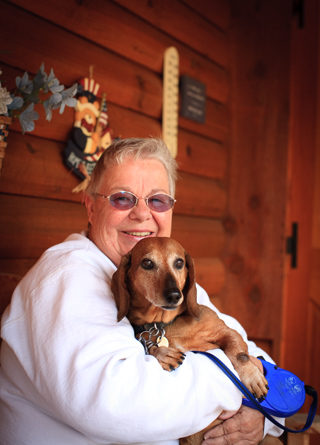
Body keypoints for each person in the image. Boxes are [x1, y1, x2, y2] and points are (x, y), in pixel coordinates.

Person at [0, 138, 283, 445]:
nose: (141, 214)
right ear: (91, 206)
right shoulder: (66, 274)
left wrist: (260, 419)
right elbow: (118, 404)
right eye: (123, 198)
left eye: (158, 200)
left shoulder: (168, 282)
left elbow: (265, 368)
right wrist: (242, 382)